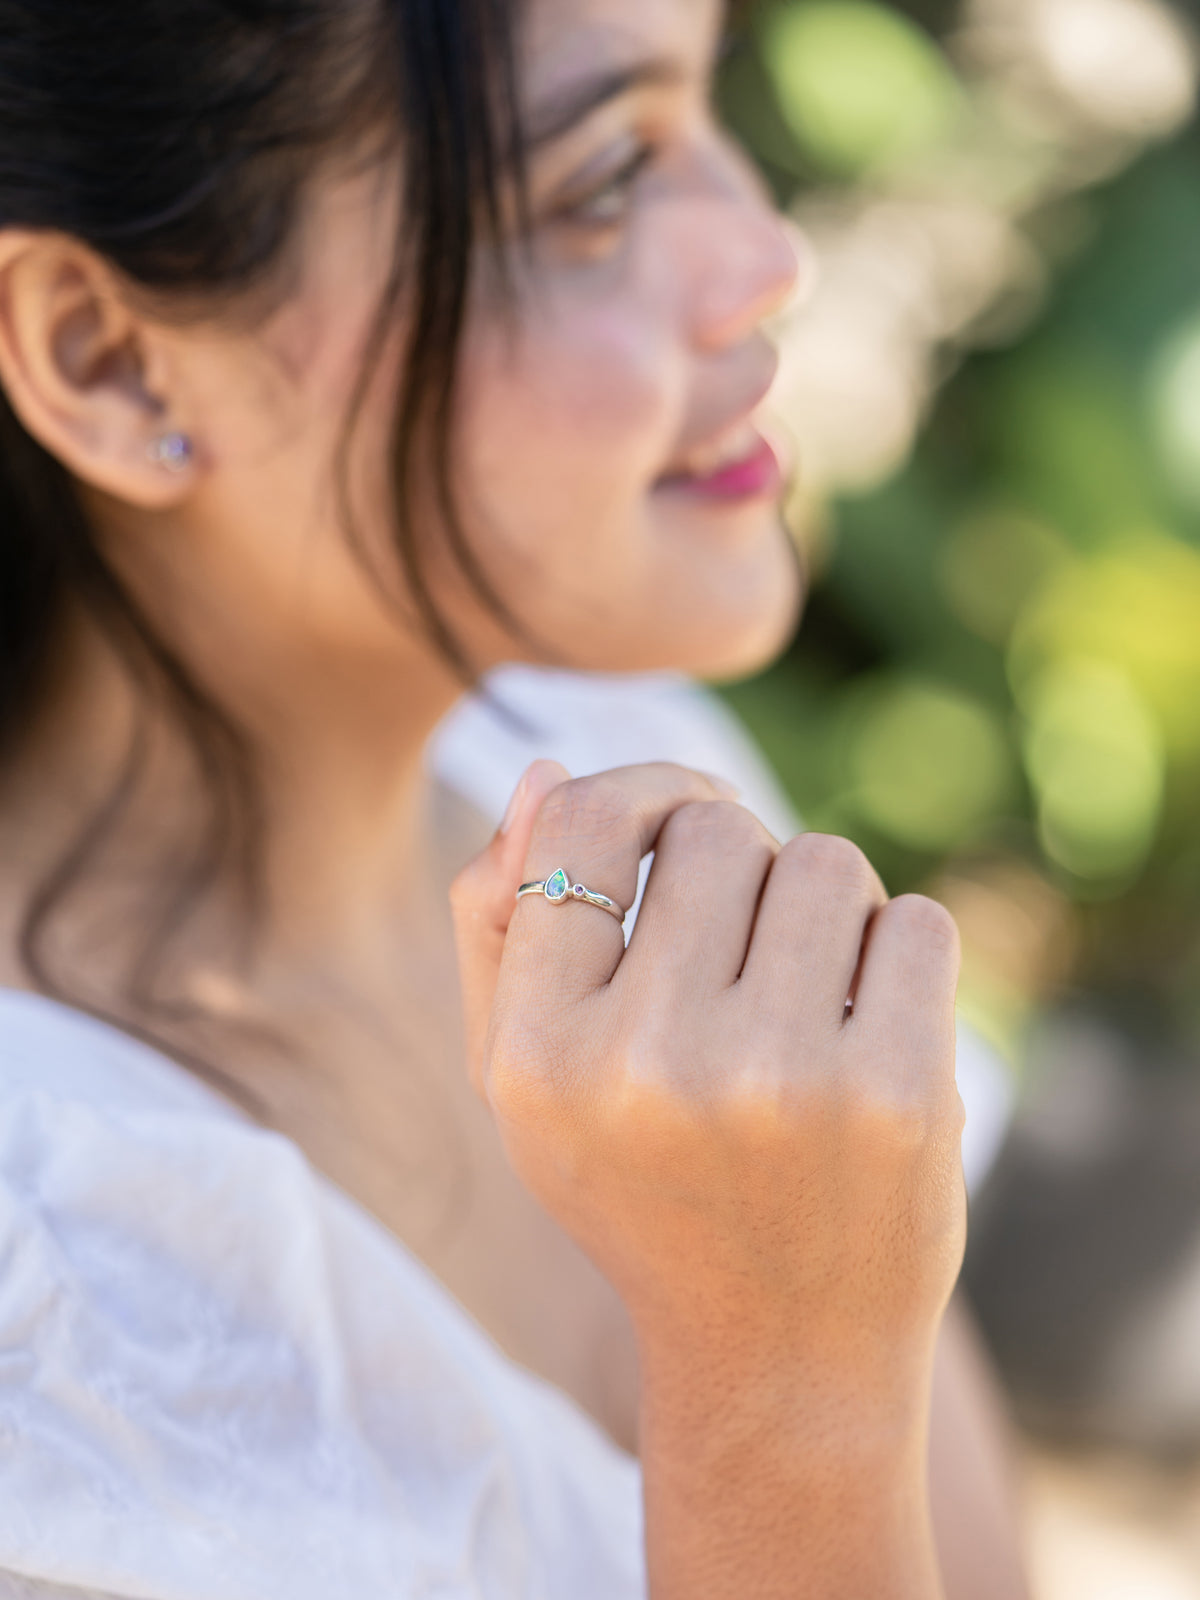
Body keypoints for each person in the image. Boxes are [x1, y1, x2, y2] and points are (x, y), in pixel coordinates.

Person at [0, 0, 1027, 1594]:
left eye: (710, 107)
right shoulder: (50, 1320)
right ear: (109, 359)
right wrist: (783, 1389)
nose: (765, 255)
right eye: (603, 178)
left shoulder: (593, 759)